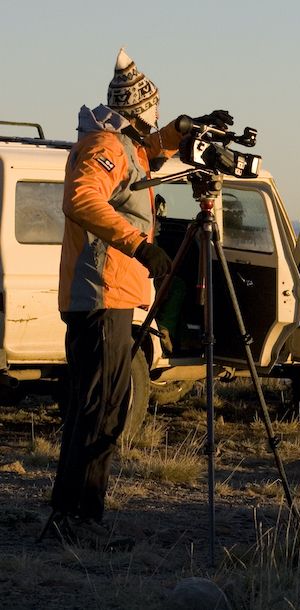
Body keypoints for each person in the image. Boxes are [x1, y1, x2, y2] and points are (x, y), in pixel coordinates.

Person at [41, 48, 220, 550]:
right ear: (139, 109)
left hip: (109, 294)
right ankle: (75, 519)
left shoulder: (125, 144)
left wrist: (188, 129)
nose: (157, 120)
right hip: (97, 294)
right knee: (98, 408)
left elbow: (150, 155)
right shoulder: (105, 145)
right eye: (156, 113)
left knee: (102, 406)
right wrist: (141, 245)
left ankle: (79, 515)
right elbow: (80, 199)